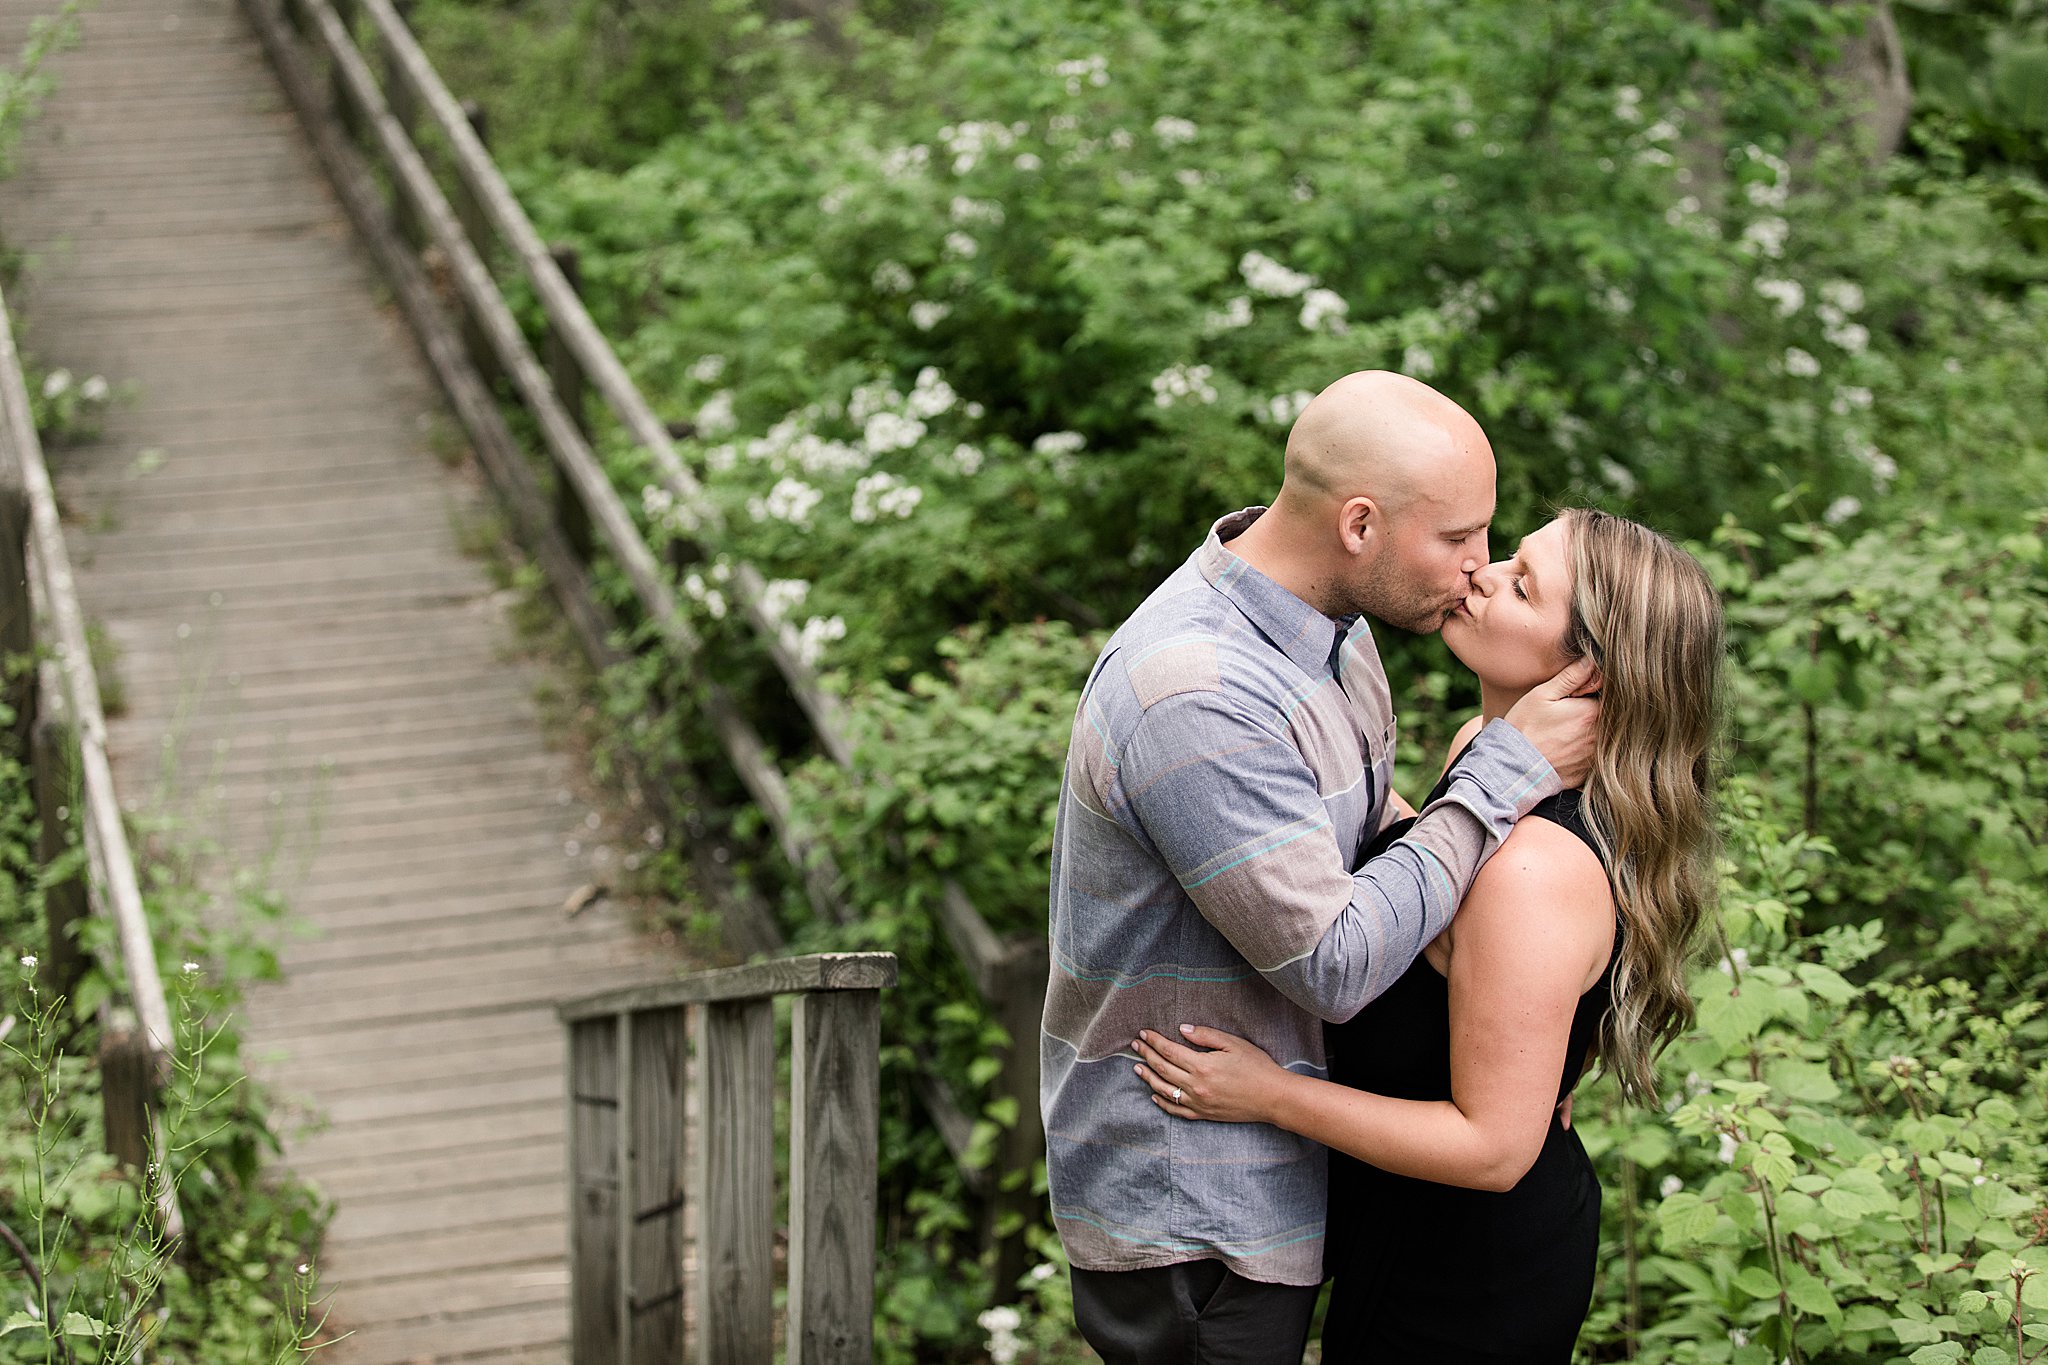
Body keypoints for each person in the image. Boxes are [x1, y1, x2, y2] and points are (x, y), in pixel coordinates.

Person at [1042, 370, 1602, 1364]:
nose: (1475, 566)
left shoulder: (1331, 632)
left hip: (1299, 1178)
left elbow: (1356, 841)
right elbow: (1334, 962)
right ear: (1358, 526)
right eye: (1459, 537)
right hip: (1198, 1196)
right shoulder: (1195, 691)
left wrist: (1530, 1042)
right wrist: (1497, 774)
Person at [1131, 508, 1724, 1362]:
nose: (1484, 571)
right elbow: (1435, 875)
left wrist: (1267, 1095)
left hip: (1467, 1276)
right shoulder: (1490, 748)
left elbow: (1492, 1149)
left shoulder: (1537, 869)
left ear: (1587, 675)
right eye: (1512, 553)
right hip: (1398, 1222)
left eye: (1522, 585)